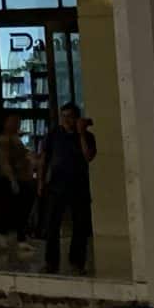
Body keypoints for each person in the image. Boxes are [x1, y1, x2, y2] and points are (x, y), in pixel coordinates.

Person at [35, 102, 97, 276]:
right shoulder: (54, 135)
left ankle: (77, 263)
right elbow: (44, 158)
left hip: (79, 186)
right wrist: (40, 182)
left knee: (80, 226)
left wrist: (82, 133)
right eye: (64, 116)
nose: (66, 120)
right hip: (56, 185)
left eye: (70, 116)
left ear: (77, 118)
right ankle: (51, 263)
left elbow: (88, 156)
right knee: (52, 225)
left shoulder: (87, 136)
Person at [0, 112, 38, 248]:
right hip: (13, 179)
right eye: (14, 122)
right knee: (12, 208)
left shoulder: (15, 138)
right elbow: (4, 161)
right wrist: (12, 179)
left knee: (22, 208)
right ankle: (6, 233)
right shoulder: (4, 140)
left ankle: (21, 236)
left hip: (23, 178)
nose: (17, 125)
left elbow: (23, 153)